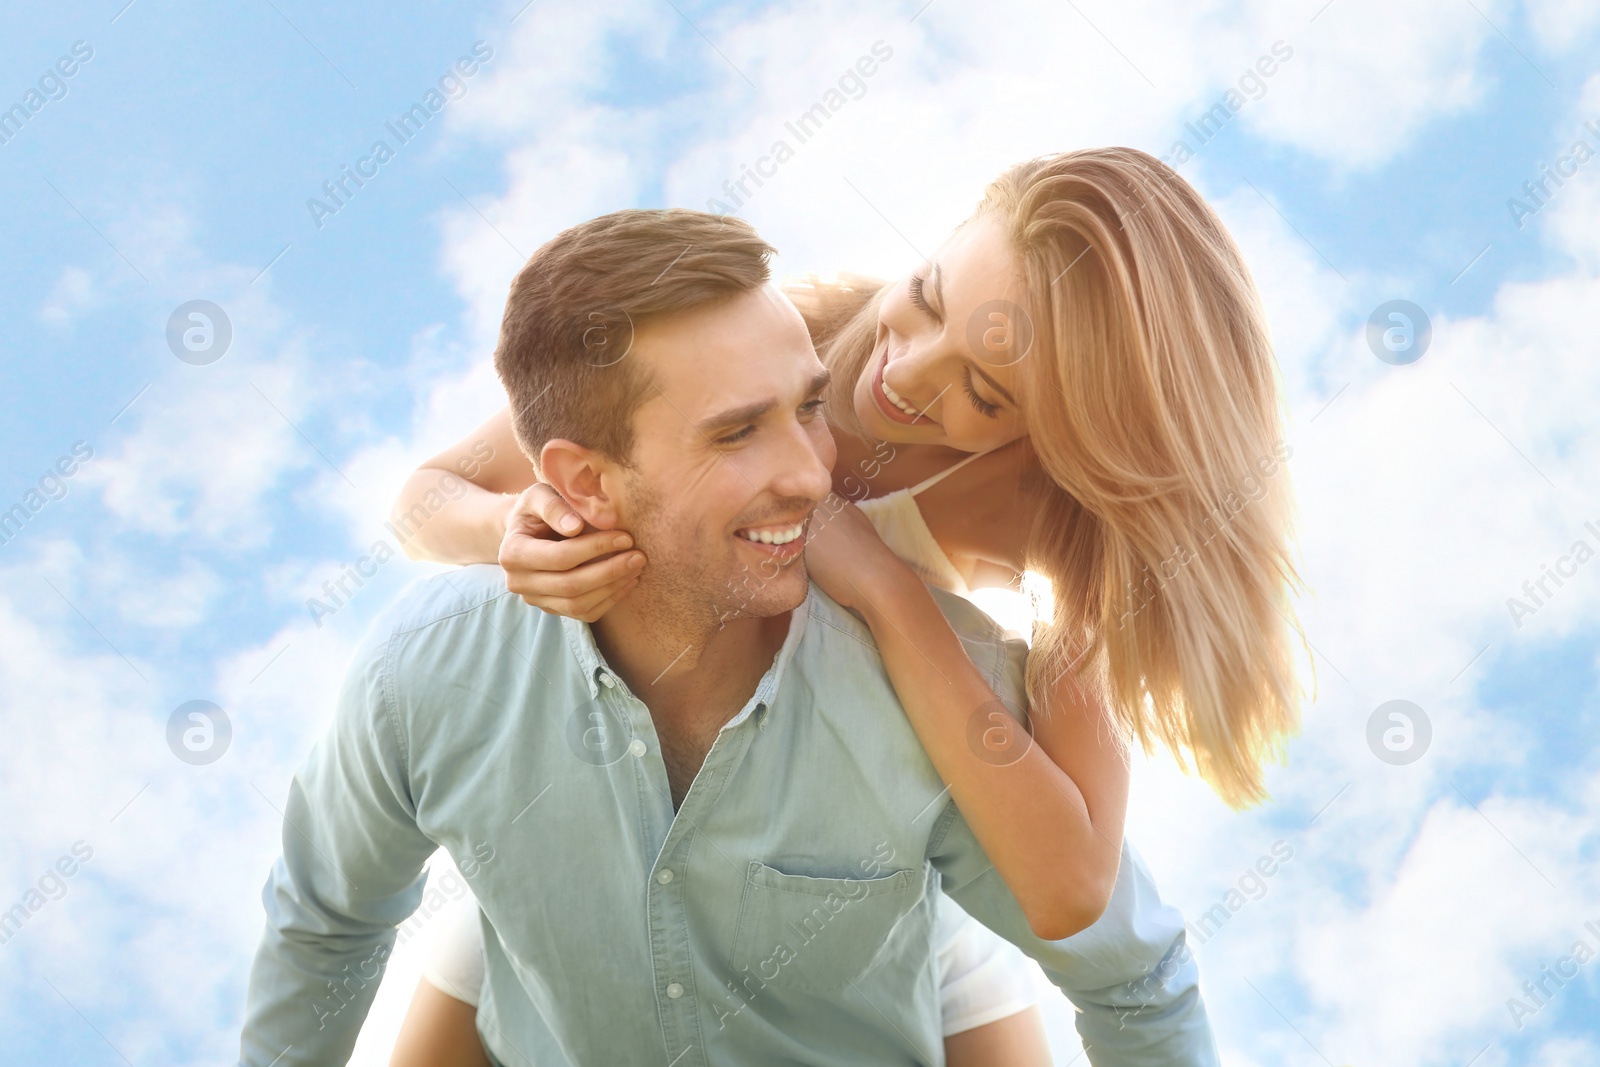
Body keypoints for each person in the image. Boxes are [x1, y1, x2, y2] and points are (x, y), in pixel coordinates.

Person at [386, 148, 1310, 1063]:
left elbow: (1069, 886)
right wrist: (511, 524)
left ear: (1054, 428)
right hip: (608, 812)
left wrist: (885, 591)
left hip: (849, 881)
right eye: (930, 299)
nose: (904, 376)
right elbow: (425, 496)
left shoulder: (1064, 534)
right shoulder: (788, 336)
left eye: (983, 394)